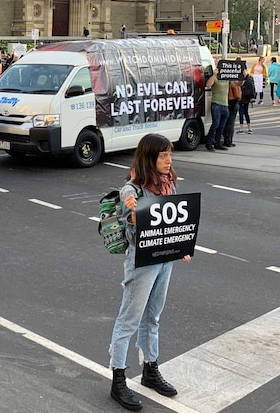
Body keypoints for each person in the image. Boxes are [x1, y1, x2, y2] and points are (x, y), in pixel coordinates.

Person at [108, 133, 191, 411]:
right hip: (142, 263)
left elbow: (177, 220)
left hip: (165, 260)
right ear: (149, 158)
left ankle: (150, 369)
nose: (169, 160)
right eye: (163, 155)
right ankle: (118, 378)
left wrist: (182, 247)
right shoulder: (133, 189)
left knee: (152, 317)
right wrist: (131, 212)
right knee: (129, 319)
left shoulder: (169, 184)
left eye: (170, 154)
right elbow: (129, 209)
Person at [204, 66, 229, 151]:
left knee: (221, 126)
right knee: (216, 124)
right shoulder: (215, 78)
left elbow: (237, 84)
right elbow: (208, 85)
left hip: (225, 104)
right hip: (216, 104)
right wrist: (214, 75)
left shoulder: (226, 77)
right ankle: (209, 143)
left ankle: (217, 143)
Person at [223, 72, 242, 148]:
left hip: (226, 101)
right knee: (231, 122)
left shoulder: (224, 80)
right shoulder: (234, 82)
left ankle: (224, 139)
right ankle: (229, 140)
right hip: (233, 101)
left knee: (225, 122)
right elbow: (238, 95)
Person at [239, 69, 255, 134]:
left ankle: (242, 129)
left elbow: (251, 88)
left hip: (243, 98)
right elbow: (253, 88)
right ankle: (248, 128)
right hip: (246, 98)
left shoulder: (245, 79)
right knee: (245, 113)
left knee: (242, 113)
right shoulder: (250, 78)